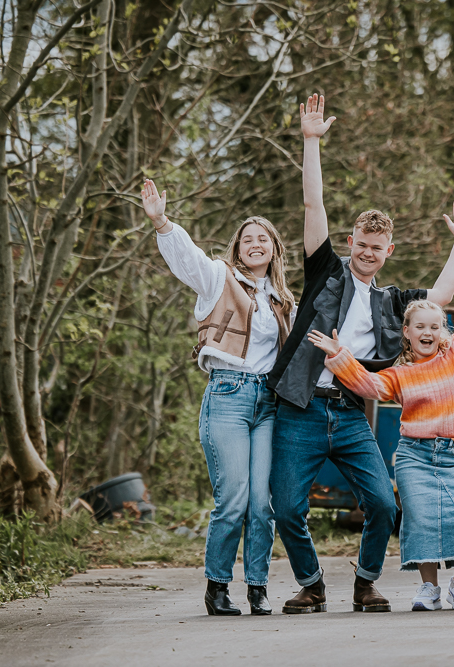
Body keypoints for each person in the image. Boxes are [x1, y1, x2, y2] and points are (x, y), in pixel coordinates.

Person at [267, 93, 454, 614]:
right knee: (288, 508)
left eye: (376, 247)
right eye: (360, 242)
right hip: (302, 407)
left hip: (351, 411)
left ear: (388, 252)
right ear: (351, 240)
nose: (366, 251)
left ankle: (365, 583)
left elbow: (442, 299)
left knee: (383, 503)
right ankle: (312, 584)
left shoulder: (392, 302)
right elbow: (313, 206)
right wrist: (311, 142)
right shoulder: (326, 273)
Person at [309, 244, 454, 612]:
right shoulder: (399, 373)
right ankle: (429, 589)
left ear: (443, 331)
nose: (428, 332)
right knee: (422, 520)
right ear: (406, 332)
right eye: (419, 326)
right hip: (414, 455)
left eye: (435, 326)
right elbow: (369, 386)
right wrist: (339, 354)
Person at [140, 178, 294, 617]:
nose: (255, 244)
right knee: (234, 499)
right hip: (227, 395)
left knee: (262, 505)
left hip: (267, 403)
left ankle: (259, 587)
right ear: (238, 248)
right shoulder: (218, 279)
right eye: (247, 239)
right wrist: (162, 222)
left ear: (275, 249)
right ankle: (218, 586)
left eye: (263, 238)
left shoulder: (284, 301)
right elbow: (187, 258)